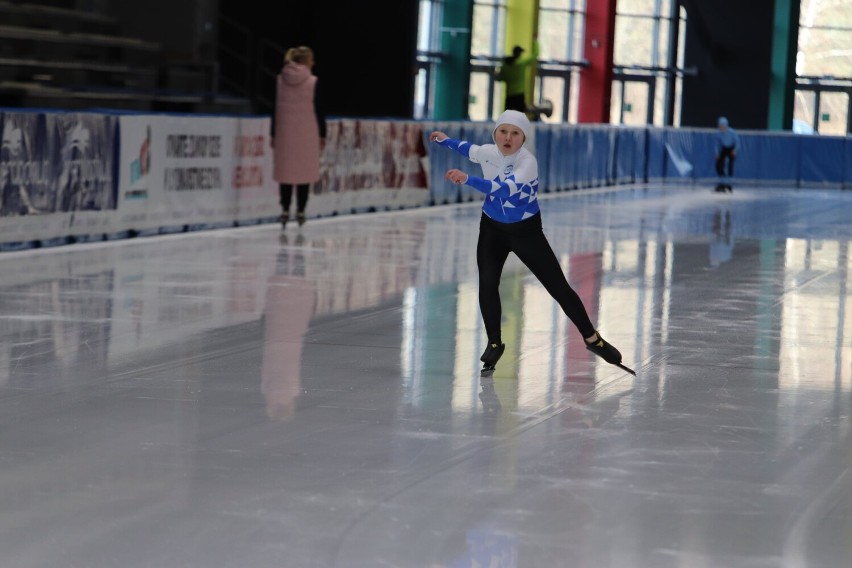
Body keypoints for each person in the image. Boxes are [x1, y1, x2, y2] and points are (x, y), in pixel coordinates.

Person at [429, 110, 626, 372]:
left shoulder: (527, 162)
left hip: (525, 232)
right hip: (492, 229)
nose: (507, 138)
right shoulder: (489, 151)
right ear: (495, 133)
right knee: (487, 283)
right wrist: (445, 140)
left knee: (558, 287)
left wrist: (467, 179)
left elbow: (504, 189)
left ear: (523, 138)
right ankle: (495, 343)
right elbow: (469, 149)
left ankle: (593, 338)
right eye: (503, 131)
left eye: (515, 133)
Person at [271, 46, 326, 227]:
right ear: (305, 61)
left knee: (286, 172)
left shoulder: (280, 80)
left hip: (285, 132)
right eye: (311, 60)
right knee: (304, 172)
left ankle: (285, 208)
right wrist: (322, 133)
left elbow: (275, 109)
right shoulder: (312, 81)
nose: (313, 63)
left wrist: (273, 132)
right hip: (307, 132)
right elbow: (319, 110)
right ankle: (301, 209)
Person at [494, 39, 540, 113]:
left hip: (509, 94)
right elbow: (535, 55)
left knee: (508, 116)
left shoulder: (504, 66)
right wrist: (535, 41)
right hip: (519, 94)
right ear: (519, 54)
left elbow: (499, 78)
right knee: (520, 115)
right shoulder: (521, 64)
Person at [714, 116, 738, 193]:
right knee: (718, 165)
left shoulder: (732, 132)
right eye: (719, 125)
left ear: (725, 125)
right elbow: (716, 143)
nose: (720, 127)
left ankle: (729, 185)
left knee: (730, 166)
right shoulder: (718, 133)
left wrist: (735, 150)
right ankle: (722, 183)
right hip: (724, 148)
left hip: (731, 148)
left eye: (721, 126)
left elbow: (737, 142)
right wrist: (717, 153)